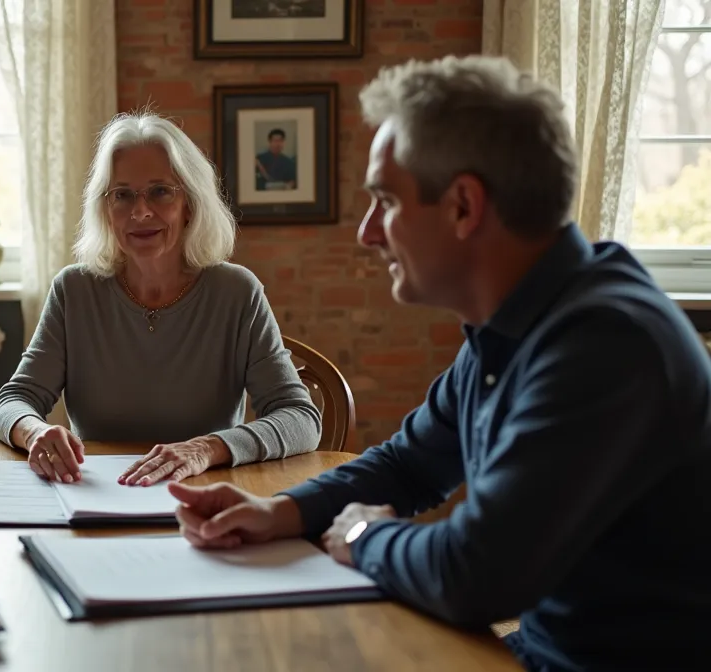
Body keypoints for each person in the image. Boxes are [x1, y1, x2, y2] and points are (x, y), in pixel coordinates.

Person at [170, 55, 711, 671]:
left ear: (463, 206)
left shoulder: (606, 345)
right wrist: (281, 513)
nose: (369, 233)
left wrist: (362, 536)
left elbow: (477, 574)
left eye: (386, 202)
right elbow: (407, 466)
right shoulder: (516, 322)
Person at [0, 112, 322, 487]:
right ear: (105, 209)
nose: (140, 211)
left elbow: (300, 418)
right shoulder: (74, 291)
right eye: (123, 195)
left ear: (190, 205)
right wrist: (35, 432)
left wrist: (206, 448)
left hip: (204, 495)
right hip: (100, 496)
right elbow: (13, 400)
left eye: (161, 191)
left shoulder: (237, 293)